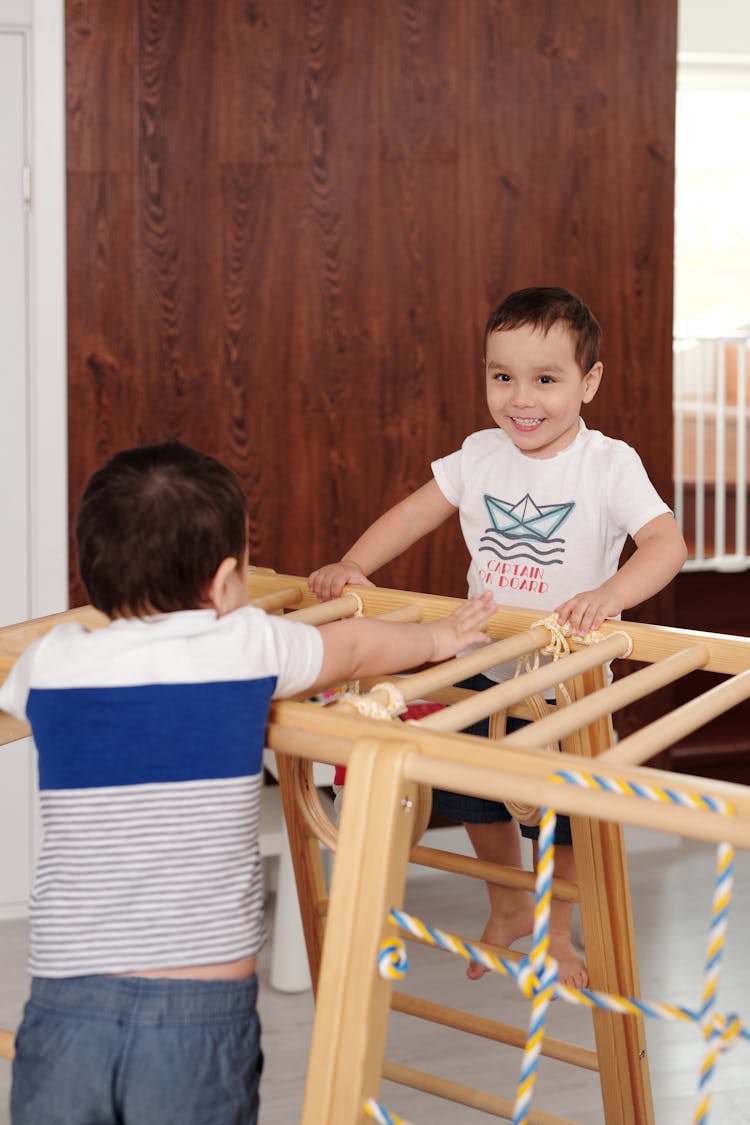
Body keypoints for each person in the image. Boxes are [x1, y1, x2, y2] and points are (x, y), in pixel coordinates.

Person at [0, 441, 495, 1125]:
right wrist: (440, 639)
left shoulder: (51, 661)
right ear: (226, 580)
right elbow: (354, 646)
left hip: (65, 999)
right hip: (197, 1013)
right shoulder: (245, 644)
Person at [309, 285, 688, 989]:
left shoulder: (608, 464)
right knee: (475, 787)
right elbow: (414, 513)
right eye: (502, 376)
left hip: (566, 676)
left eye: (546, 379)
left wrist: (610, 595)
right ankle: (510, 902)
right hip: (484, 658)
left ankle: (557, 934)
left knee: (565, 816)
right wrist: (357, 563)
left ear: (589, 382)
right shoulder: (481, 454)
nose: (522, 398)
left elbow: (667, 544)